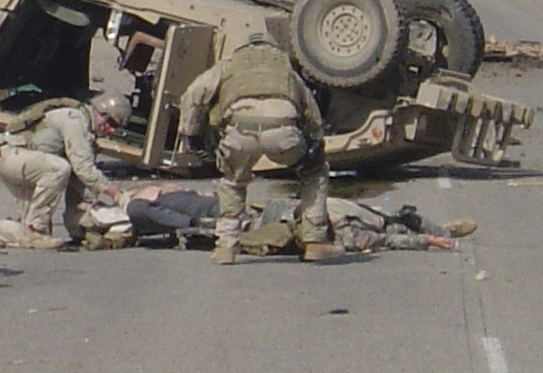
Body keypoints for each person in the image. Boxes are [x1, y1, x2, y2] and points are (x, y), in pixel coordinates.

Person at [179, 31, 341, 264]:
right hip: (283, 132)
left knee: (232, 182)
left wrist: (192, 135)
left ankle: (225, 247)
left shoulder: (230, 64)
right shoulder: (284, 68)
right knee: (315, 173)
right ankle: (315, 241)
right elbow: (310, 110)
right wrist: (316, 142)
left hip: (239, 132)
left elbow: (194, 94)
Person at [77, 182, 477, 254]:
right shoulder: (136, 208)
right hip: (237, 219)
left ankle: (427, 227)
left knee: (366, 215)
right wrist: (218, 229)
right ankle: (429, 237)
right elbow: (177, 224)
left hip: (243, 210)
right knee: (361, 232)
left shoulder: (148, 193)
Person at [0, 93, 133, 250]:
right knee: (60, 168)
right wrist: (116, 194)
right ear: (99, 111)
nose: (109, 129)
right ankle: (36, 230)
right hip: (13, 156)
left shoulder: (87, 137)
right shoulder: (74, 119)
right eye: (109, 121)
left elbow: (82, 184)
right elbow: (84, 169)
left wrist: (83, 222)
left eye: (115, 127)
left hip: (25, 163)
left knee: (26, 232)